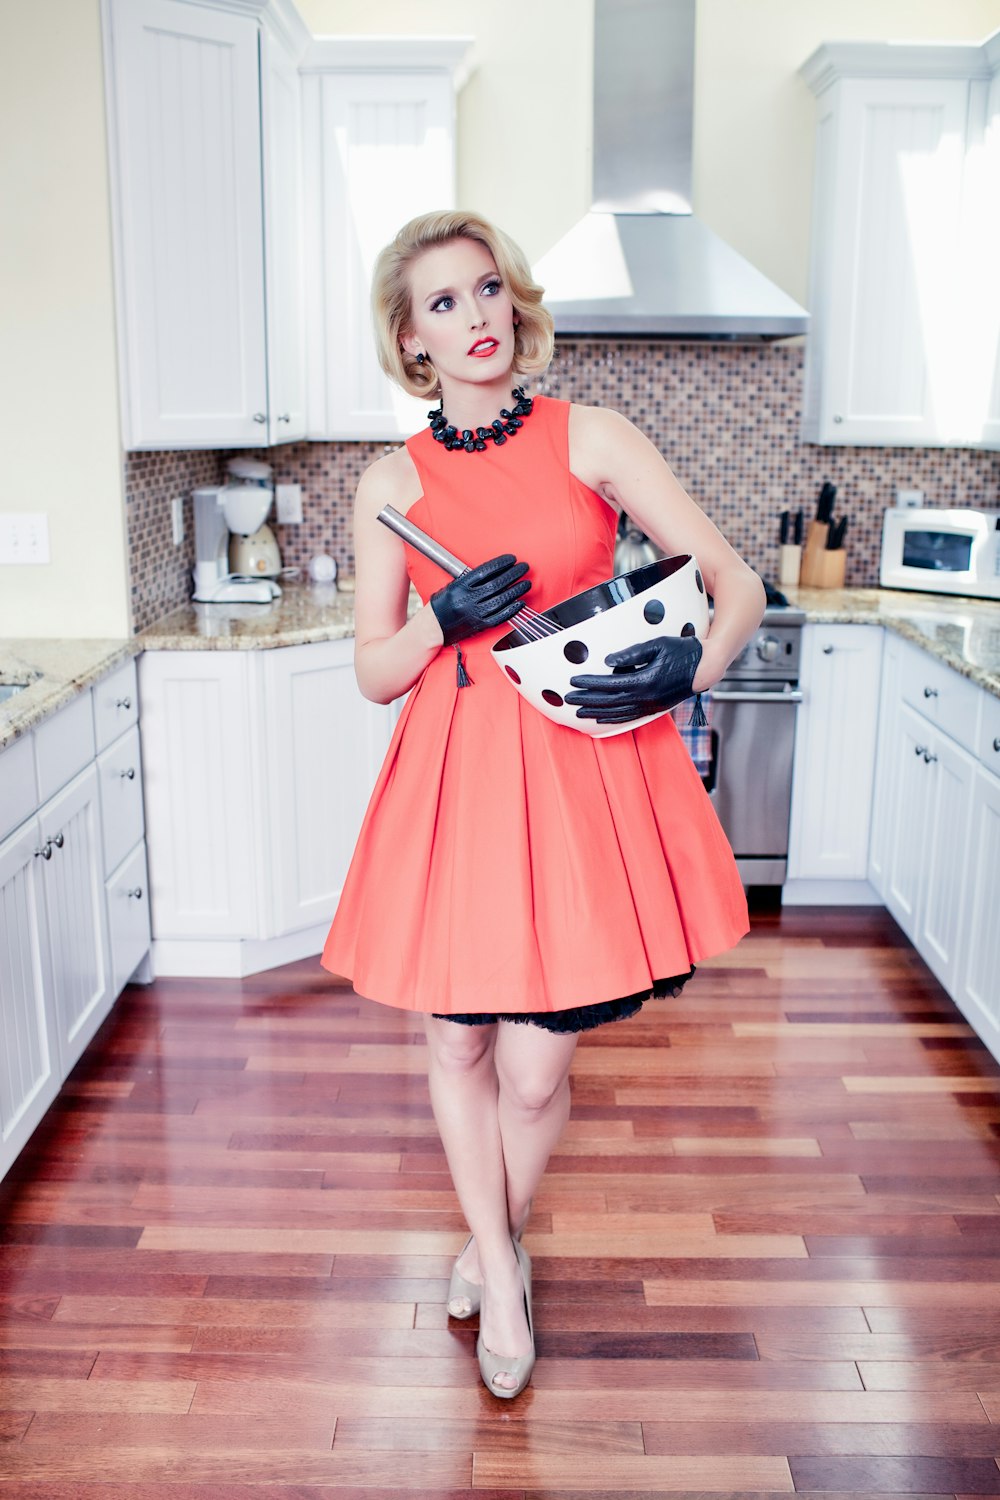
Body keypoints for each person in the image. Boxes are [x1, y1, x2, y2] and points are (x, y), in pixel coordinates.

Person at [321, 210, 766, 1398]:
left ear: (514, 300)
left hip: (585, 769)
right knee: (459, 1039)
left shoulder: (594, 437)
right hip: (459, 774)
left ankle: (488, 1233)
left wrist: (691, 668)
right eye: (445, 305)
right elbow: (372, 672)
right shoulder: (389, 481)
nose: (477, 320)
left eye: (487, 292)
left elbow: (736, 581)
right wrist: (437, 621)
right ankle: (503, 1276)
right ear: (411, 340)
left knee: (532, 1071)